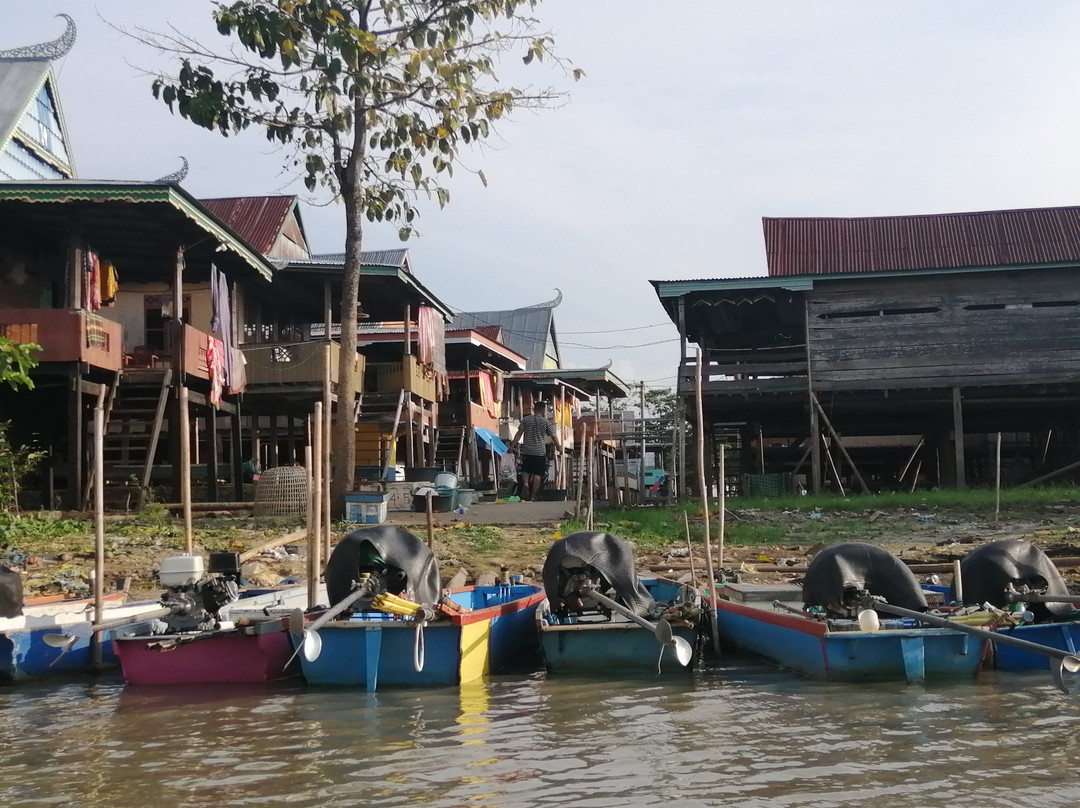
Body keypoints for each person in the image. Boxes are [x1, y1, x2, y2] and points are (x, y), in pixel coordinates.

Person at [509, 400, 561, 501]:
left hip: (528, 449)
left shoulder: (526, 419)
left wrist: (512, 446)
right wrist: (559, 447)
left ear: (534, 409)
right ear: (543, 410)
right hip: (540, 451)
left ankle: (525, 484)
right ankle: (533, 496)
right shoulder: (545, 422)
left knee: (526, 470)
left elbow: (519, 434)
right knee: (538, 473)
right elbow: (554, 436)